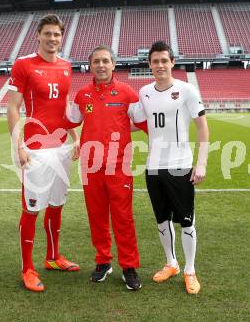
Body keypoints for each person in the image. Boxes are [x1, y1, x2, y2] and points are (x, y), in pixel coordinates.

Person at [7, 14, 80, 292]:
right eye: (48, 33)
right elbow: (13, 108)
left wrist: (75, 138)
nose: (52, 39)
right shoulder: (24, 64)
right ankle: (27, 268)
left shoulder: (66, 66)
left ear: (62, 37)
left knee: (57, 204)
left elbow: (65, 105)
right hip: (36, 150)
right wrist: (19, 145)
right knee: (31, 209)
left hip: (61, 147)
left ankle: (53, 257)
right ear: (38, 35)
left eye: (57, 34)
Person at [134, 41, 209, 294]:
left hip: (180, 166)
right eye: (155, 61)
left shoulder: (187, 90)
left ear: (172, 62)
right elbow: (135, 122)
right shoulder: (144, 92)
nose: (160, 65)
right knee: (161, 220)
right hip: (153, 167)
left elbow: (202, 128)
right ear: (149, 65)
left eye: (164, 60)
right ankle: (171, 263)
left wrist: (201, 163)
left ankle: (190, 270)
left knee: (186, 222)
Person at [66, 45, 142, 290]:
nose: (101, 65)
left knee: (123, 217)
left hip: (119, 166)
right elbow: (70, 120)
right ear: (90, 65)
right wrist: (76, 140)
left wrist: (120, 130)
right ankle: (103, 261)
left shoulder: (127, 92)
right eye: (96, 61)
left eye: (105, 61)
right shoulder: (82, 95)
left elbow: (141, 122)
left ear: (113, 65)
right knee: (97, 216)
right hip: (91, 166)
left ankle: (129, 266)